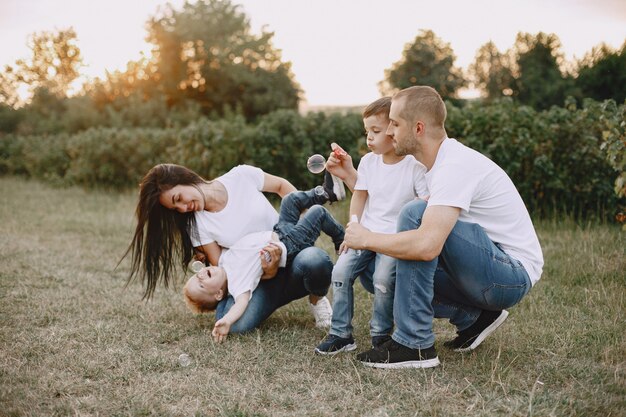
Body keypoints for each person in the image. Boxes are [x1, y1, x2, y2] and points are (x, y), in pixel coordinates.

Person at [340, 85, 544, 369]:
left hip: (509, 275)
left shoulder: (454, 165)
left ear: (419, 128)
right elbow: (386, 200)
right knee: (377, 274)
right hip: (483, 270)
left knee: (415, 214)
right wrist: (352, 178)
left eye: (395, 124)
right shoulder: (430, 165)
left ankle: (414, 344)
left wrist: (367, 238)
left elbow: (426, 246)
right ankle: (475, 317)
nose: (389, 132)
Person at [122, 163, 346, 332]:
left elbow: (280, 186)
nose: (183, 207)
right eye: (176, 207)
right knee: (232, 323)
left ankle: (317, 299)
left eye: (179, 198)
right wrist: (267, 271)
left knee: (315, 259)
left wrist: (302, 225)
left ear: (183, 179)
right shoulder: (197, 225)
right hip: (258, 278)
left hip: (290, 249)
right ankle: (270, 295)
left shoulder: (240, 176)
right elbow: (225, 268)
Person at [315, 97, 428, 355]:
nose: (369, 138)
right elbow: (360, 196)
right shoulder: (368, 163)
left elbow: (424, 204)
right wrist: (353, 227)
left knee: (382, 279)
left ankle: (381, 334)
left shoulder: (414, 166)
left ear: (394, 129)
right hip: (364, 232)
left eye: (376, 132)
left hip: (392, 240)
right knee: (340, 273)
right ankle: (341, 333)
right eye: (367, 132)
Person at [183, 187, 345, 342]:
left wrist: (200, 251)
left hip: (279, 231)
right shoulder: (237, 284)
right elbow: (241, 304)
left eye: (197, 276)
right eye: (201, 285)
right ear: (218, 294)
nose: (201, 275)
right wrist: (227, 320)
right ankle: (341, 239)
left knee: (290, 200)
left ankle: (324, 192)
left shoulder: (223, 260)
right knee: (318, 213)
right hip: (289, 247)